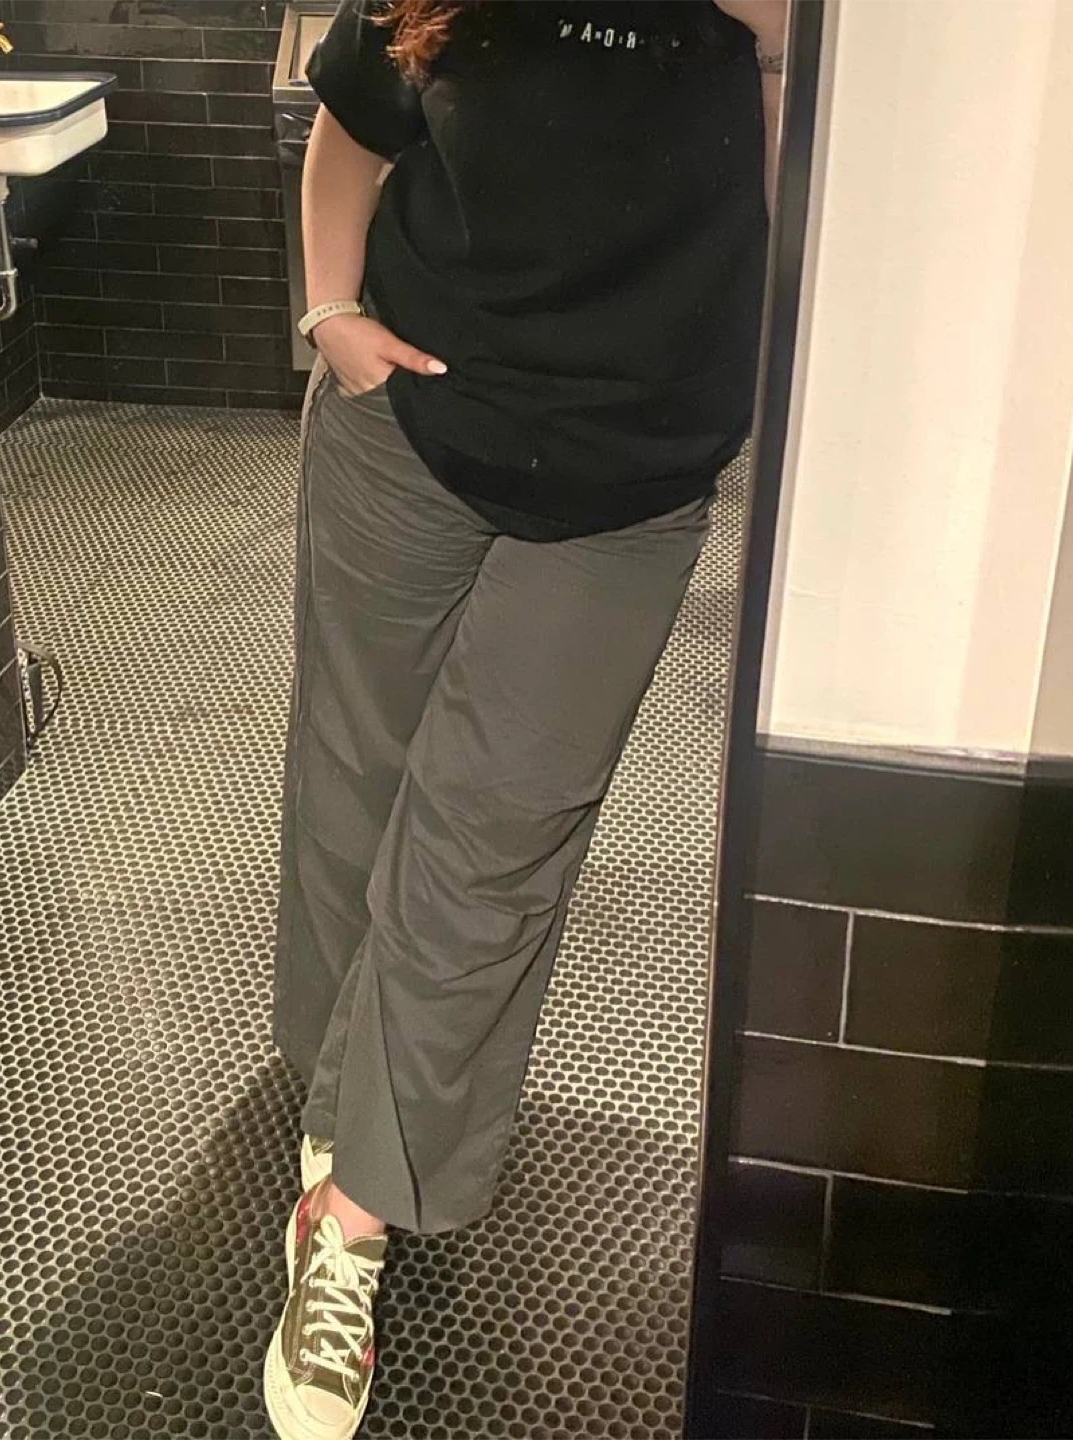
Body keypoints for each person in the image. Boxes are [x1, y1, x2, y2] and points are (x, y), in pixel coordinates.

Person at [265, 0, 786, 1435]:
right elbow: (353, 128)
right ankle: (335, 1088)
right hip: (406, 430)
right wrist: (329, 312)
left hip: (630, 486)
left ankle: (350, 1219)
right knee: (359, 772)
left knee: (494, 833)